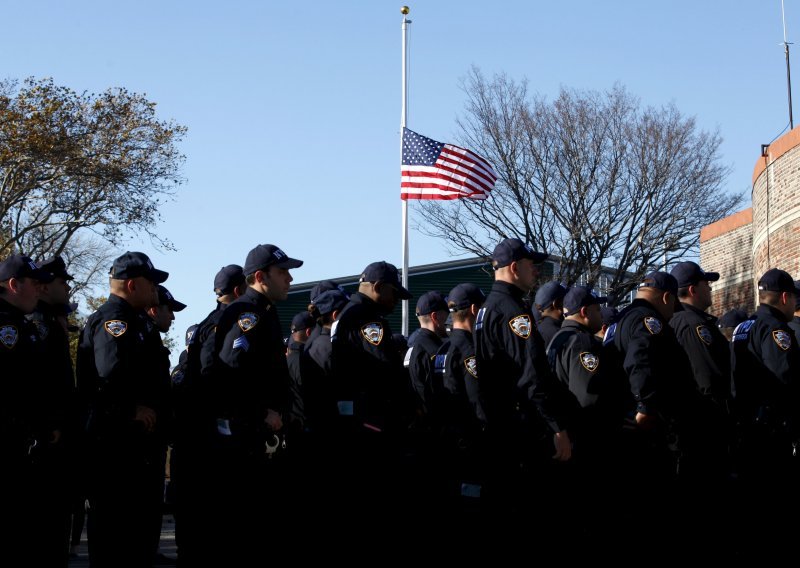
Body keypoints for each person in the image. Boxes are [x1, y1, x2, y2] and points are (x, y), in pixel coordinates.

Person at [208, 244, 302, 563]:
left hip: (261, 436)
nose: (289, 278)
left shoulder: (264, 312)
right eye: (282, 272)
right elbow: (230, 370)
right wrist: (263, 412)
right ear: (260, 277)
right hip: (248, 438)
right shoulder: (248, 314)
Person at [76, 251, 170, 568]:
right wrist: (131, 410)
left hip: (137, 449)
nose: (156, 289)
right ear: (131, 285)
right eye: (151, 282)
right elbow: (107, 377)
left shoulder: (137, 322)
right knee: (117, 542)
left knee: (138, 542)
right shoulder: (113, 322)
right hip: (117, 450)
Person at [473, 238, 573, 523]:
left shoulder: (486, 308)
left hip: (498, 426)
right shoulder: (512, 311)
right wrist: (557, 427)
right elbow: (531, 376)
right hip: (520, 429)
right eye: (533, 266)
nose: (537, 272)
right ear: (515, 268)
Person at [171, 264, 245, 566]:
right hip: (215, 433)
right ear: (240, 291)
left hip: (197, 434)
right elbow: (221, 376)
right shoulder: (229, 323)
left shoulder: (204, 324)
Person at [329, 261, 413, 523]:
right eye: (393, 293)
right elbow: (385, 367)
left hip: (355, 418)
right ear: (377, 287)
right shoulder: (366, 318)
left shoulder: (348, 313)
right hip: (370, 421)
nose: (395, 301)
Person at [730, 268, 800, 553]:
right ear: (784, 297)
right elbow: (785, 378)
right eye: (794, 299)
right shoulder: (774, 328)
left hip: (746, 428)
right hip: (771, 433)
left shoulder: (744, 326)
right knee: (775, 510)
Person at [0, 255, 56, 567]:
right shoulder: (5, 325)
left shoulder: (22, 323)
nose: (40, 291)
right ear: (13, 285)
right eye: (35, 284)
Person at [27, 256, 77, 567]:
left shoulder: (47, 323)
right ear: (44, 288)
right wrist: (50, 424)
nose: (68, 286)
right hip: (44, 440)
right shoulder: (36, 325)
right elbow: (36, 383)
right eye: (62, 281)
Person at [669, 261, 732, 485]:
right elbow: (708, 379)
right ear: (693, 290)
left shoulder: (680, 320)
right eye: (707, 284)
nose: (711, 288)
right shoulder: (692, 324)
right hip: (702, 432)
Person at [435, 283, 487, 508]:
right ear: (475, 310)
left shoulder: (443, 348)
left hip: (445, 436)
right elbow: (477, 400)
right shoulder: (469, 351)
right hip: (470, 440)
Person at [144, 284, 185, 565]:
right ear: (153, 309)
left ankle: (148, 548)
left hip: (155, 435)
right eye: (169, 310)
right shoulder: (136, 334)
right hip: (140, 435)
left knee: (151, 500)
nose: (172, 317)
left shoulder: (150, 338)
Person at [534, 280, 568, 346]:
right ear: (557, 304)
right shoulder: (560, 335)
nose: (570, 302)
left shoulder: (537, 328)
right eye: (567, 299)